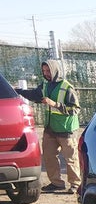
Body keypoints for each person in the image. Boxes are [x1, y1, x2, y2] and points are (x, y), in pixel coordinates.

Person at [16, 59, 81, 194]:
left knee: (71, 159)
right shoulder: (45, 85)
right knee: (49, 157)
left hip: (66, 129)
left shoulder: (67, 87)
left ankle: (75, 184)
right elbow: (34, 95)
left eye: (48, 71)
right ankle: (56, 183)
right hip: (50, 129)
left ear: (55, 70)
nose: (46, 73)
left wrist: (54, 104)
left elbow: (75, 109)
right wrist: (18, 91)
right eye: (44, 71)